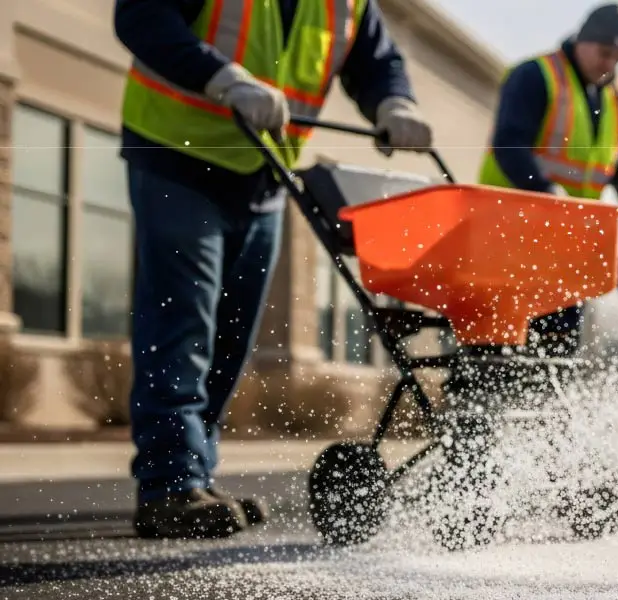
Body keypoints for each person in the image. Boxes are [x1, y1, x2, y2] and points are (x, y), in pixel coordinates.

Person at [113, 0, 432, 539]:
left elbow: (376, 60)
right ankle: (169, 485)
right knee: (184, 325)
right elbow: (141, 15)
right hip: (178, 155)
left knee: (232, 337)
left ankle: (195, 474)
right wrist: (223, 78)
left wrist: (394, 102)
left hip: (260, 176)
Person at [477, 2, 618, 356]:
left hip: (567, 241)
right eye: (604, 52)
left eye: (617, 56)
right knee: (498, 342)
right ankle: (475, 407)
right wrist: (546, 192)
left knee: (558, 342)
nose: (608, 62)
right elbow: (509, 143)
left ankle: (547, 407)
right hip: (509, 229)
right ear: (582, 40)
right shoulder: (535, 76)